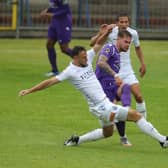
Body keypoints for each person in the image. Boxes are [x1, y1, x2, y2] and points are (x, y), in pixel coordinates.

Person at [19, 30, 168, 149]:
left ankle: (76, 140)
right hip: (102, 107)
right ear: (75, 58)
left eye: (86, 56)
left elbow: (97, 45)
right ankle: (163, 140)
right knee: (136, 116)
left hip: (98, 107)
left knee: (107, 133)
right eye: (83, 57)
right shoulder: (70, 72)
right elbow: (49, 82)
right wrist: (30, 90)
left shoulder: (88, 58)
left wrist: (106, 32)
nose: (87, 59)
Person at [90, 13, 147, 119]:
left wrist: (142, 63)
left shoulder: (133, 33)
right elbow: (93, 43)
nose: (124, 24)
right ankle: (113, 123)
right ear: (117, 23)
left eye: (126, 22)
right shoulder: (111, 32)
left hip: (127, 71)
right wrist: (102, 33)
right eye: (121, 22)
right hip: (113, 71)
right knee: (112, 101)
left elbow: (138, 48)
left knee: (138, 96)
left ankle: (143, 121)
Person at [95, 29, 132, 146]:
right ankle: (123, 138)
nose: (128, 45)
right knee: (115, 115)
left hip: (111, 86)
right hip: (102, 87)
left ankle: (126, 112)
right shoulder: (110, 48)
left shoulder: (118, 54)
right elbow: (101, 63)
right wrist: (115, 75)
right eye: (126, 42)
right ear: (118, 39)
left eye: (129, 43)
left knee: (126, 88)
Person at [40, 0, 73, 77]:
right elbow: (54, 6)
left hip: (63, 23)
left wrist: (51, 15)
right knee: (49, 44)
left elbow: (66, 10)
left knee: (64, 49)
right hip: (55, 23)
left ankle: (83, 58)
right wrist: (47, 10)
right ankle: (54, 71)